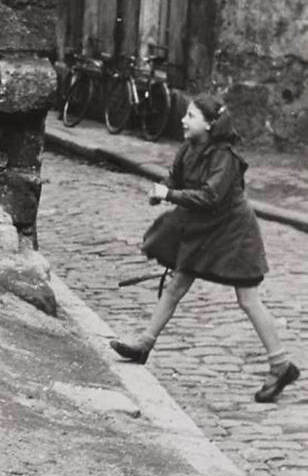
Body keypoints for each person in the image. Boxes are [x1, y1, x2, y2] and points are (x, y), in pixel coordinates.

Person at [110, 94, 300, 402]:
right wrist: (161, 191)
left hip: (234, 233)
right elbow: (175, 178)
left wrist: (169, 194)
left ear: (210, 124)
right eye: (185, 115)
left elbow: (210, 197)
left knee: (248, 300)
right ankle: (143, 344)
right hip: (204, 230)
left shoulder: (223, 158)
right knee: (176, 285)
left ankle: (281, 365)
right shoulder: (188, 148)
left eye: (191, 116)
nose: (183, 120)